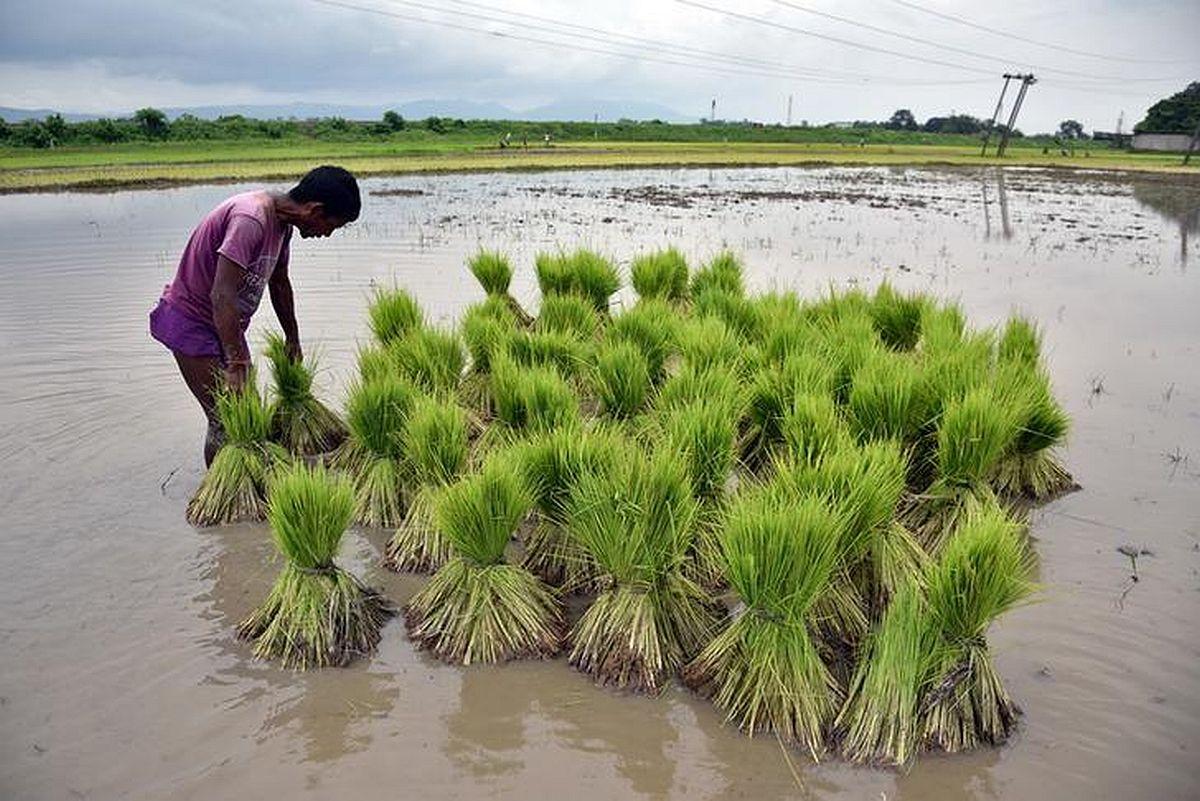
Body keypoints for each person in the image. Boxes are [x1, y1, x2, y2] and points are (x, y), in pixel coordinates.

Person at [149, 165, 361, 465]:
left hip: (224, 328)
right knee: (227, 420)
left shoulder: (282, 225)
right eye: (332, 225)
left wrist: (293, 337)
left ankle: (247, 492)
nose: (326, 234)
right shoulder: (250, 218)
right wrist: (237, 362)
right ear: (315, 210)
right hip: (192, 323)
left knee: (247, 418)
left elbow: (279, 281)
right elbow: (221, 294)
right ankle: (222, 497)